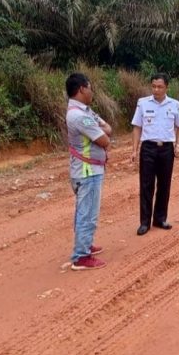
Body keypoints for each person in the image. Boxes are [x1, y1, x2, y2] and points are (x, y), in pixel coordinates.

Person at [65, 73, 112, 270]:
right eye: (90, 87)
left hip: (86, 170)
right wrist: (102, 131)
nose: (92, 91)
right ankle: (81, 256)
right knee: (87, 213)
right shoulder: (80, 116)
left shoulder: (84, 112)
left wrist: (102, 130)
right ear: (82, 89)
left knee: (83, 211)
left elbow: (106, 128)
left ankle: (86, 245)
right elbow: (105, 139)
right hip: (87, 171)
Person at [130, 73, 179, 236]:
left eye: (160, 86)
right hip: (148, 148)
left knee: (164, 185)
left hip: (167, 149)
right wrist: (134, 149)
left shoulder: (174, 104)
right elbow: (137, 127)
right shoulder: (143, 103)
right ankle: (144, 222)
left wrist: (178, 145)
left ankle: (160, 219)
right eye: (153, 86)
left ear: (166, 87)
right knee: (146, 185)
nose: (156, 89)